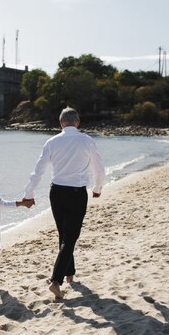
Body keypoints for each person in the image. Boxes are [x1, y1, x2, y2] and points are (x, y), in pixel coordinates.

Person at [22, 107, 105, 299]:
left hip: (57, 193)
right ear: (77, 122)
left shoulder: (52, 142)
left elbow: (38, 171)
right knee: (71, 236)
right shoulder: (86, 140)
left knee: (64, 235)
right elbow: (99, 169)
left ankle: (70, 274)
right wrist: (97, 188)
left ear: (60, 123)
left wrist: (29, 193)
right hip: (77, 193)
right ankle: (56, 280)